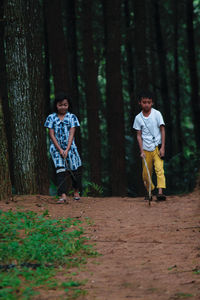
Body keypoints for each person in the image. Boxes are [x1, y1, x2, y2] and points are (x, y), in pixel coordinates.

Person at [44, 92, 82, 203]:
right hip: (56, 149)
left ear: (68, 105)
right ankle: (63, 195)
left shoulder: (72, 117)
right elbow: (51, 134)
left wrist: (67, 149)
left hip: (71, 148)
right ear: (56, 105)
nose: (63, 107)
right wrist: (60, 150)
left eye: (65, 104)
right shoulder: (51, 118)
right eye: (60, 105)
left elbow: (72, 133)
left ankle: (76, 191)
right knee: (60, 170)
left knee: (74, 171)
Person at [133, 91, 166, 201]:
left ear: (152, 103)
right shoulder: (138, 118)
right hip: (146, 149)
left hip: (157, 146)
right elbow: (138, 135)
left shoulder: (157, 114)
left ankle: (160, 192)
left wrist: (162, 147)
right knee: (146, 174)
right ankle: (150, 191)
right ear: (140, 103)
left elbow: (162, 129)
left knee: (159, 170)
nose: (146, 104)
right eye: (144, 102)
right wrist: (141, 150)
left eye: (149, 102)